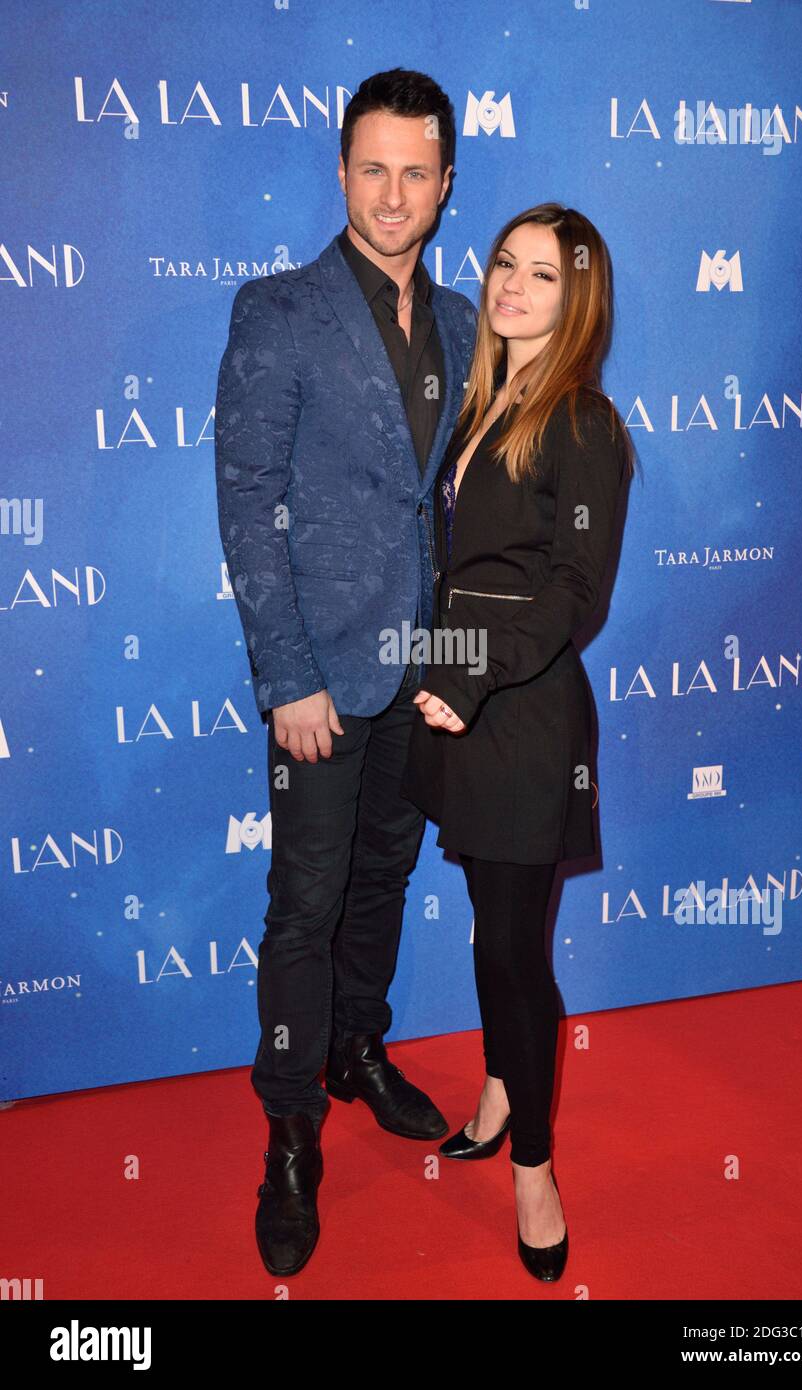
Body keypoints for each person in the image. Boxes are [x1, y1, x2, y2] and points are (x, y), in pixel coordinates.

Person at [214, 68, 478, 1277]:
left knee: (383, 873)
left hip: (420, 672)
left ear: (442, 186)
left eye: (414, 172)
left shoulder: (471, 323)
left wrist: (462, 661)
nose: (391, 193)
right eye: (370, 167)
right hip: (319, 679)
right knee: (304, 903)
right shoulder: (278, 311)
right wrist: (286, 676)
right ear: (339, 172)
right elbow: (247, 504)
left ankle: (360, 1047)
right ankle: (289, 1126)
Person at [400, 203, 634, 1282]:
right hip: (462, 706)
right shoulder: (484, 402)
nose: (511, 286)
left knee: (509, 950)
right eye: (503, 264)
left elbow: (573, 596)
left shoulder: (580, 419)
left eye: (541, 274)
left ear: (574, 297)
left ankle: (532, 1169)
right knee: (488, 926)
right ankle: (500, 1085)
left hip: (523, 715)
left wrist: (466, 673)